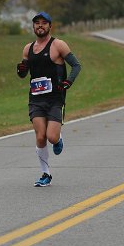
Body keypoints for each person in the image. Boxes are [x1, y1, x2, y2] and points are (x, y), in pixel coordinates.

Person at [16, 11, 82, 187]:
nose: (40, 25)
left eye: (44, 23)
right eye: (37, 23)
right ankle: (46, 174)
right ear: (33, 26)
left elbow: (76, 65)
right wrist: (21, 70)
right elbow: (23, 74)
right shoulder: (28, 49)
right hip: (36, 99)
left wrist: (68, 82)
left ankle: (58, 139)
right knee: (40, 137)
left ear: (50, 26)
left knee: (51, 137)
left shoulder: (58, 45)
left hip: (55, 99)